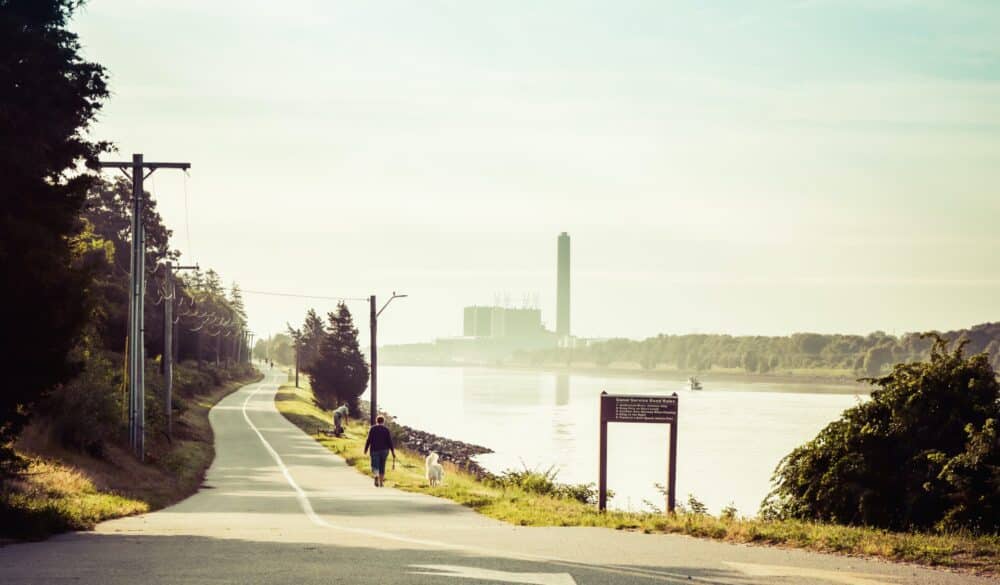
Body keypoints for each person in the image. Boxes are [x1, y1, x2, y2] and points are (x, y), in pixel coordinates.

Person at [363, 415, 395, 487]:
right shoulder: (386, 430)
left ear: (376, 421)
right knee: (382, 465)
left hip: (374, 450)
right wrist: (393, 452)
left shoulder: (372, 429)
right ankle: (381, 482)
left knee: (375, 465)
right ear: (383, 421)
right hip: (384, 450)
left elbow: (369, 440)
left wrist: (366, 449)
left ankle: (376, 477)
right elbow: (389, 441)